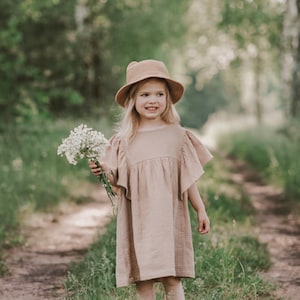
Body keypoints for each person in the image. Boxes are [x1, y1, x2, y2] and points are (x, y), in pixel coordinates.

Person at [89, 59, 213, 300]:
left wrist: (200, 209)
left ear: (168, 99)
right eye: (145, 94)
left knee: (172, 278)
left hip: (170, 218)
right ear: (132, 101)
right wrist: (101, 169)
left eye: (159, 94)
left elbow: (187, 179)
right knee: (143, 280)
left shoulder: (178, 136)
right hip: (139, 221)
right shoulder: (123, 141)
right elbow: (113, 176)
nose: (152, 100)